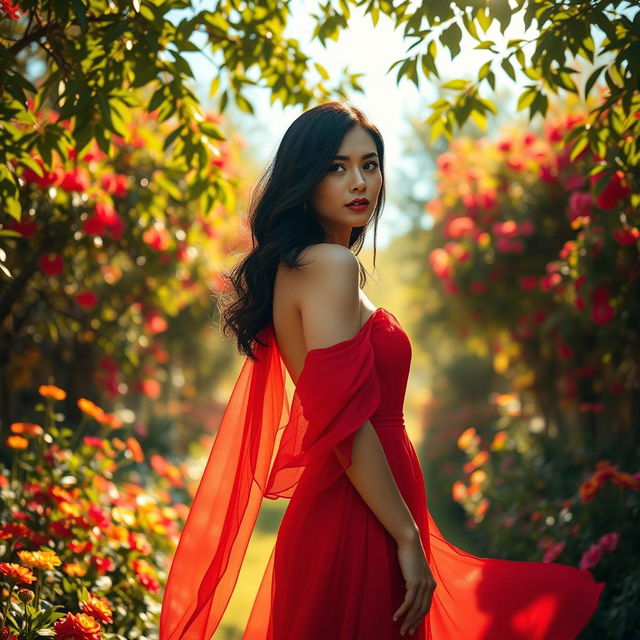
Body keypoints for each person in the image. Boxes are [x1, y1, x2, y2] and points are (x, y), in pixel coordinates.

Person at [159, 101, 604, 640]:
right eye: (336, 166)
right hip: (358, 517)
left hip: (360, 502)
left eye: (369, 165)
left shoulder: (302, 266)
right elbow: (345, 421)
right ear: (305, 177)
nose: (359, 182)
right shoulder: (329, 266)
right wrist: (406, 536)